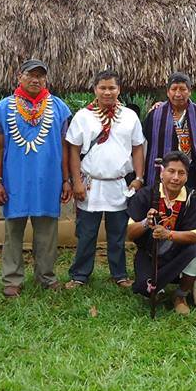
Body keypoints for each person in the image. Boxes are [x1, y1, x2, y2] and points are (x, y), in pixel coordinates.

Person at [0, 59, 72, 297]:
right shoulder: (4, 107)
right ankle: (12, 278)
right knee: (13, 230)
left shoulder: (58, 107)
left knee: (47, 231)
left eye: (40, 76)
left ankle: (46, 276)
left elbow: (65, 147)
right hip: (14, 179)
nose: (36, 80)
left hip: (49, 179)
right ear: (19, 76)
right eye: (30, 75)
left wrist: (66, 179)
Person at [66, 70, 145, 289]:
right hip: (90, 183)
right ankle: (79, 274)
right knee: (86, 232)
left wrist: (138, 177)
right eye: (103, 87)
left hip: (119, 184)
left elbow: (138, 147)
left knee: (118, 233)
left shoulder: (130, 116)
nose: (107, 92)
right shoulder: (83, 116)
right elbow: (73, 150)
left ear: (119, 90)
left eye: (112, 88)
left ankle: (119, 273)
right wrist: (77, 182)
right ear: (95, 89)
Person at [126, 151, 196, 315]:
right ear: (162, 172)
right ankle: (158, 290)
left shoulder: (193, 198)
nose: (176, 177)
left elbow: (193, 236)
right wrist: (145, 223)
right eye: (171, 171)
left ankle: (181, 295)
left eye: (181, 173)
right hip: (150, 254)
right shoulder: (146, 194)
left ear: (186, 176)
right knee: (143, 287)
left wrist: (167, 234)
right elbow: (130, 233)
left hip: (178, 254)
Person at [143, 72, 196, 190]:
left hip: (190, 174)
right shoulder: (155, 115)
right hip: (161, 172)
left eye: (183, 89)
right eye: (174, 89)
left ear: (189, 91)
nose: (178, 93)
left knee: (187, 206)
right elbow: (145, 142)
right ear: (168, 92)